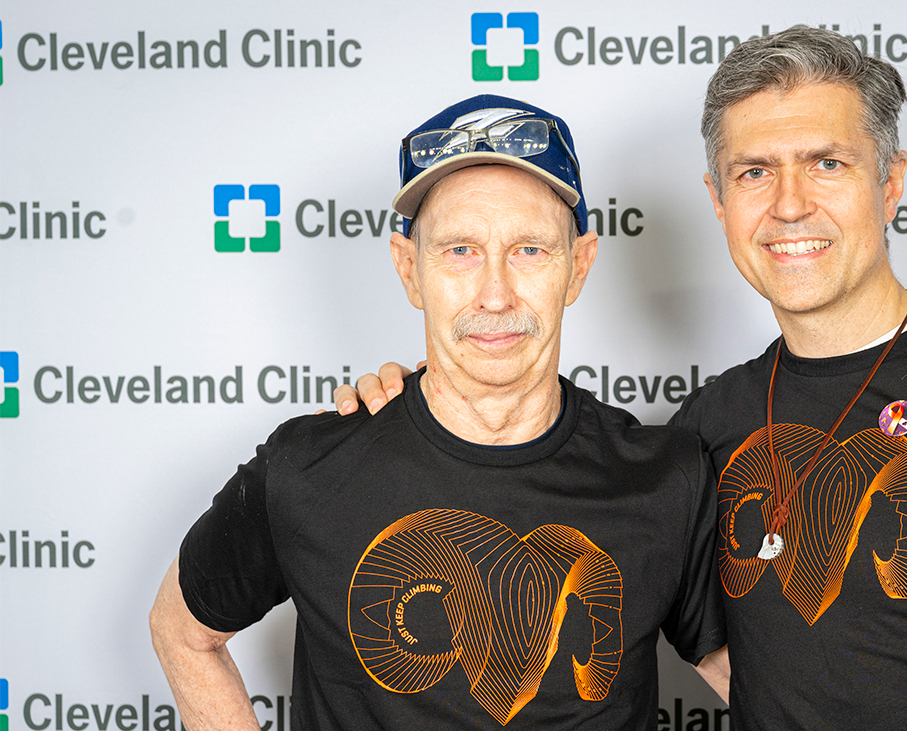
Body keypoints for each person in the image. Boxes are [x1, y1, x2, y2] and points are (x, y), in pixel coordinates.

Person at [341, 27, 907, 731]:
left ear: (889, 183)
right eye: (753, 172)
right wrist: (419, 403)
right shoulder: (704, 425)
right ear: (716, 198)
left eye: (826, 164)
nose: (787, 205)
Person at [149, 94, 729, 730]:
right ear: (408, 269)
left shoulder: (665, 477)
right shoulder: (309, 467)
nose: (495, 293)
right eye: (460, 250)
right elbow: (181, 632)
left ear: (579, 265)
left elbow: (768, 685)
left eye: (530, 249)